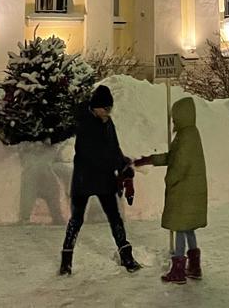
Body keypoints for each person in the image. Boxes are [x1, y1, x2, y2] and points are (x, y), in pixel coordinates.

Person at [60, 84, 141, 276]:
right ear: (96, 107)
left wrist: (123, 166)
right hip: (84, 179)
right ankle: (66, 261)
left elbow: (113, 148)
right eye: (106, 108)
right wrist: (117, 164)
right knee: (76, 219)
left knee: (114, 217)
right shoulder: (85, 124)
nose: (108, 112)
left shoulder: (107, 123)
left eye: (110, 108)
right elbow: (94, 154)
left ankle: (126, 255)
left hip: (104, 179)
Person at [135, 96, 208, 284]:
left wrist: (170, 180)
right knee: (188, 228)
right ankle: (194, 266)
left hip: (184, 191)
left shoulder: (186, 136)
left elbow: (180, 164)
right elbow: (173, 157)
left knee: (180, 228)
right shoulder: (190, 133)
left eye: (175, 117)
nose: (173, 120)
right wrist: (151, 159)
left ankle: (178, 271)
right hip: (190, 191)